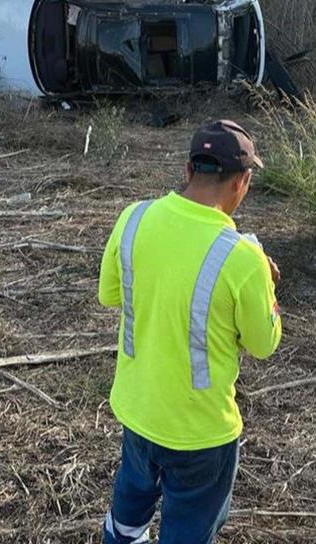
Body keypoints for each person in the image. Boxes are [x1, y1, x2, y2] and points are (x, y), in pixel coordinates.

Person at [98, 120, 282, 543]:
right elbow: (263, 343)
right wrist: (267, 285)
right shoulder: (243, 257)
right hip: (201, 432)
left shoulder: (133, 217)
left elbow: (110, 295)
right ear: (243, 182)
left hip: (138, 411)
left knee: (126, 518)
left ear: (187, 170)